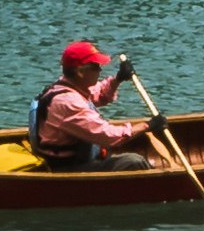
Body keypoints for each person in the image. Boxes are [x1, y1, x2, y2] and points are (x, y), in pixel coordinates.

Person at [31, 40, 163, 167]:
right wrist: (147, 125)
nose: (100, 70)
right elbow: (109, 137)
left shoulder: (68, 86)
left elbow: (99, 95)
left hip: (79, 157)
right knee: (134, 162)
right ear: (80, 72)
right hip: (68, 166)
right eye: (95, 66)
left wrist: (118, 78)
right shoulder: (68, 102)